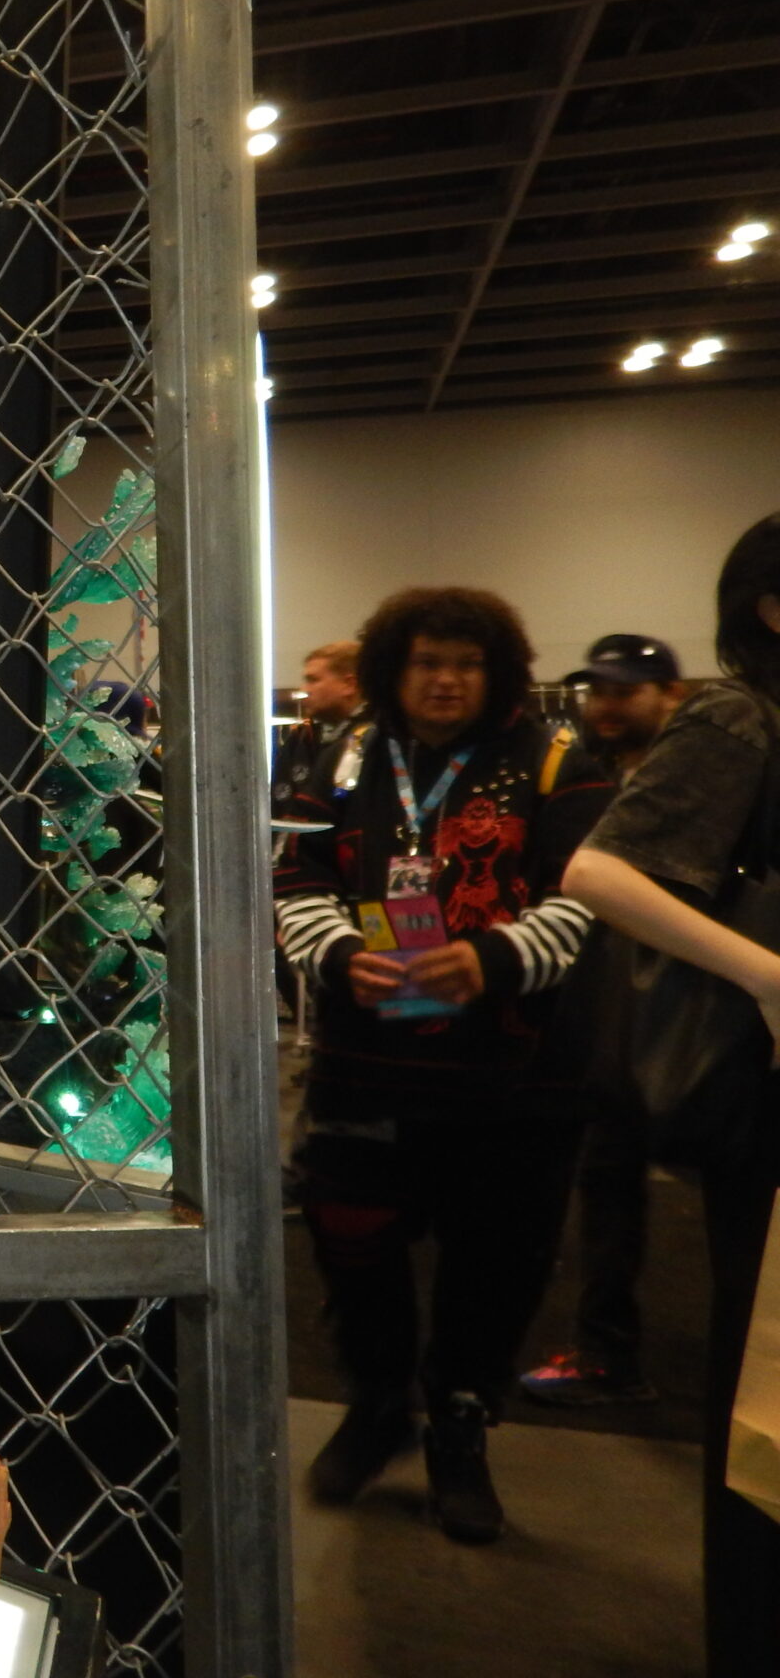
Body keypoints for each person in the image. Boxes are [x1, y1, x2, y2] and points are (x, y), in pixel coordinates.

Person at [274, 586, 611, 1543]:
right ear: (394, 668)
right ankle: (379, 1403)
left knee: (495, 1263)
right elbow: (295, 875)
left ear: (499, 672)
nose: (447, 681)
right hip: (366, 1062)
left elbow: (590, 896)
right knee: (351, 1237)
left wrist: (495, 959)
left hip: (519, 1078)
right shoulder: (348, 755)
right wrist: (340, 953)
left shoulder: (558, 759)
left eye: (467, 663)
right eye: (428, 662)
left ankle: (460, 1426)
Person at [563, 515, 780, 1677]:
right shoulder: (741, 715)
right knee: (765, 1392)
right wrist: (767, 977)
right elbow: (597, 870)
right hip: (763, 1097)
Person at [521, 633, 687, 1409]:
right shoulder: (594, 774)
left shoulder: (688, 778)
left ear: (670, 696)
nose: (607, 705)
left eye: (626, 691)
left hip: (682, 1014)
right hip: (609, 1012)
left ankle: (615, 1357)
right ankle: (605, 1351)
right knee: (607, 1178)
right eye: (599, 691)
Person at [272, 640, 363, 809]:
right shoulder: (301, 738)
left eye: (313, 680)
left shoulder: (376, 739)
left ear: (349, 685)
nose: (304, 690)